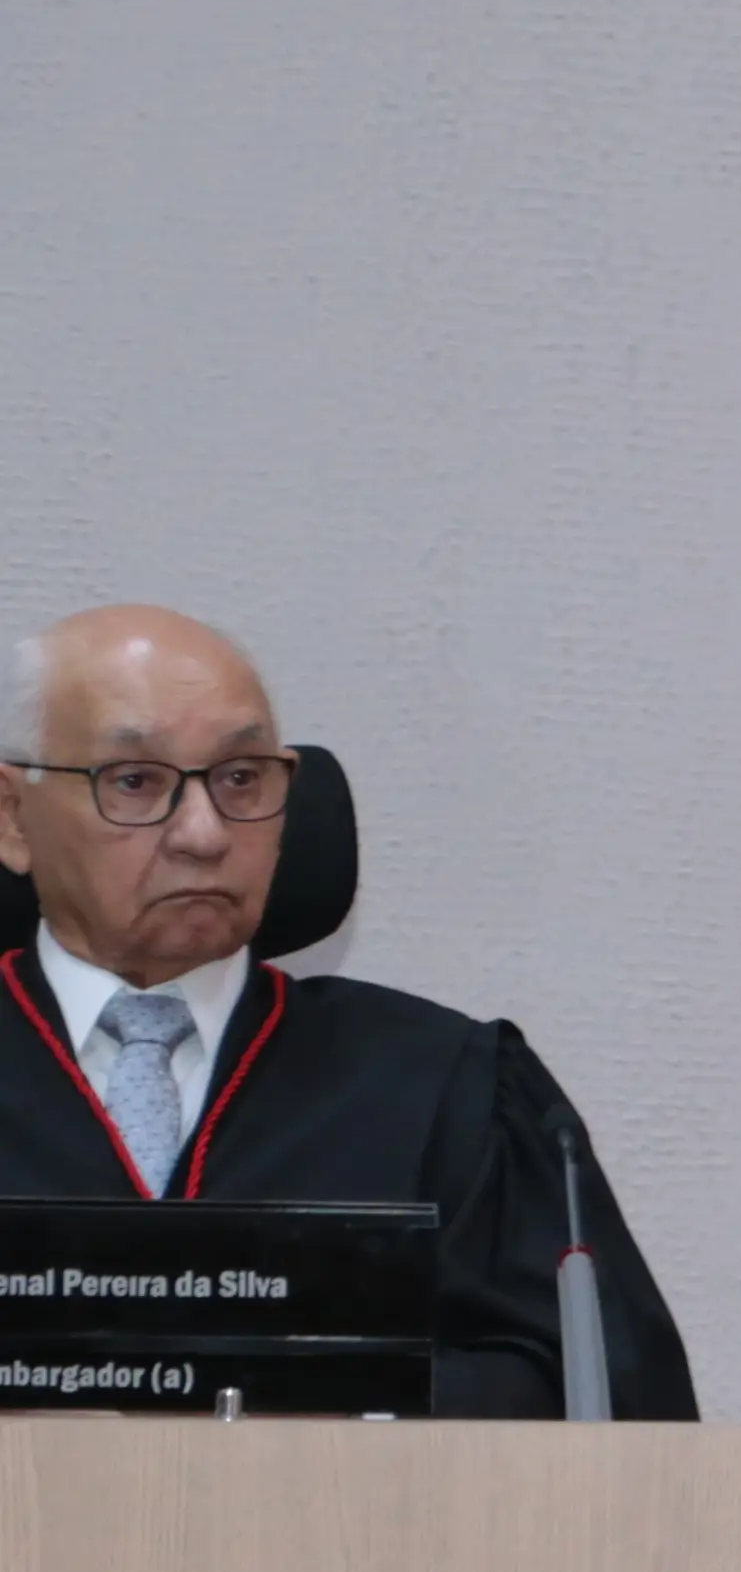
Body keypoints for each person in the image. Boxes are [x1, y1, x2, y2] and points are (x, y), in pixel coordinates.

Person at [0, 604, 696, 1416]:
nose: (204, 832)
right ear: (13, 818)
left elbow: (601, 1403)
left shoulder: (443, 1086)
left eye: (240, 779)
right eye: (135, 782)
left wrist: (327, 1396)